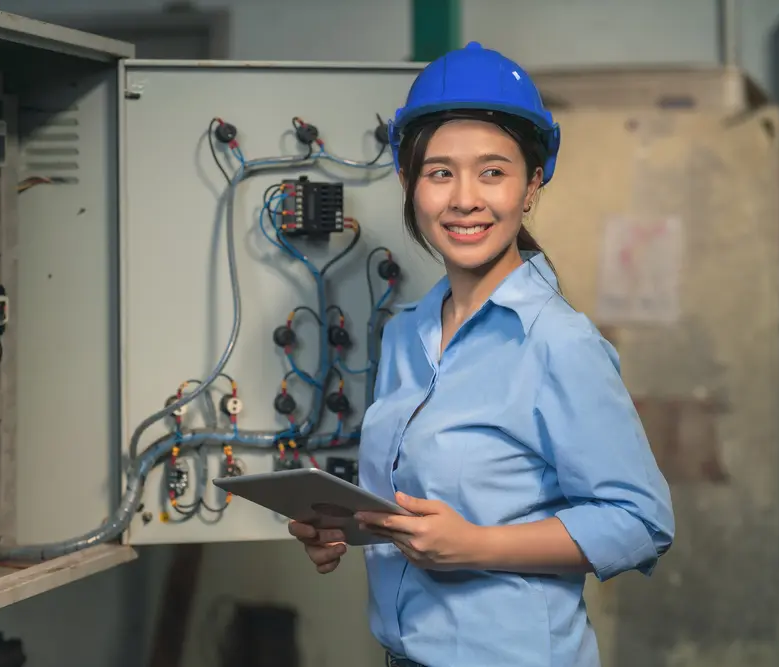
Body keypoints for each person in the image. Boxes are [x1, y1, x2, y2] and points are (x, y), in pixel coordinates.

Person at [288, 42, 675, 667]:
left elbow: (640, 521)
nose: (464, 198)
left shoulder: (558, 341)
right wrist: (347, 527)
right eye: (440, 172)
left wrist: (474, 546)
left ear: (531, 187)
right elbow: (423, 502)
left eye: (493, 172)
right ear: (410, 184)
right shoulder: (405, 334)